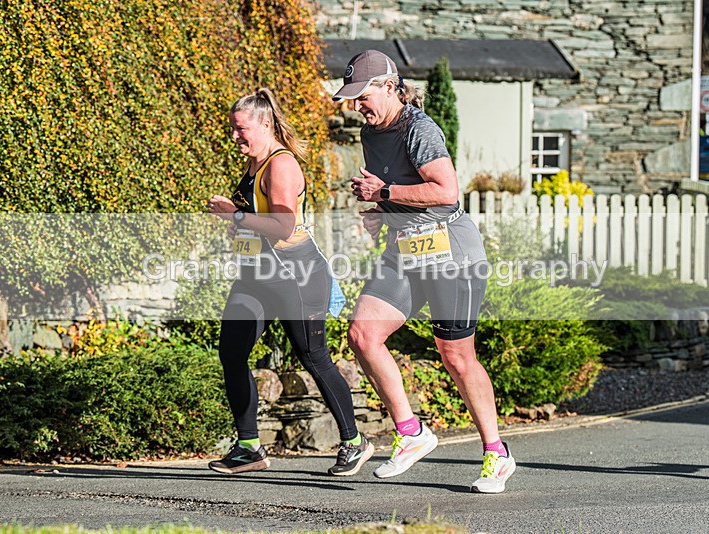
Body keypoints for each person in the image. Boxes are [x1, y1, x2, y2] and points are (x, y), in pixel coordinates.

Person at [332, 50, 516, 494]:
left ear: (390, 87)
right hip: (405, 250)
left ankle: (497, 453)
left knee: (456, 356)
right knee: (362, 334)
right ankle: (412, 432)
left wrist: (386, 190)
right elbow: (397, 194)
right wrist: (381, 209)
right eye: (353, 98)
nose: (358, 105)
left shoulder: (420, 128)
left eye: (363, 96)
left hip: (451, 251)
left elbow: (445, 190)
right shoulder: (371, 133)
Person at [206, 88, 373, 476]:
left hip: (297, 276)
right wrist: (239, 228)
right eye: (232, 129)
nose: (234, 137)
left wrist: (235, 217)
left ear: (264, 124)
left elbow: (282, 227)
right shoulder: (254, 163)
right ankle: (249, 447)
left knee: (314, 358)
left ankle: (354, 441)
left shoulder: (281, 166)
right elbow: (257, 224)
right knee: (232, 352)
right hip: (258, 277)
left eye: (240, 129)